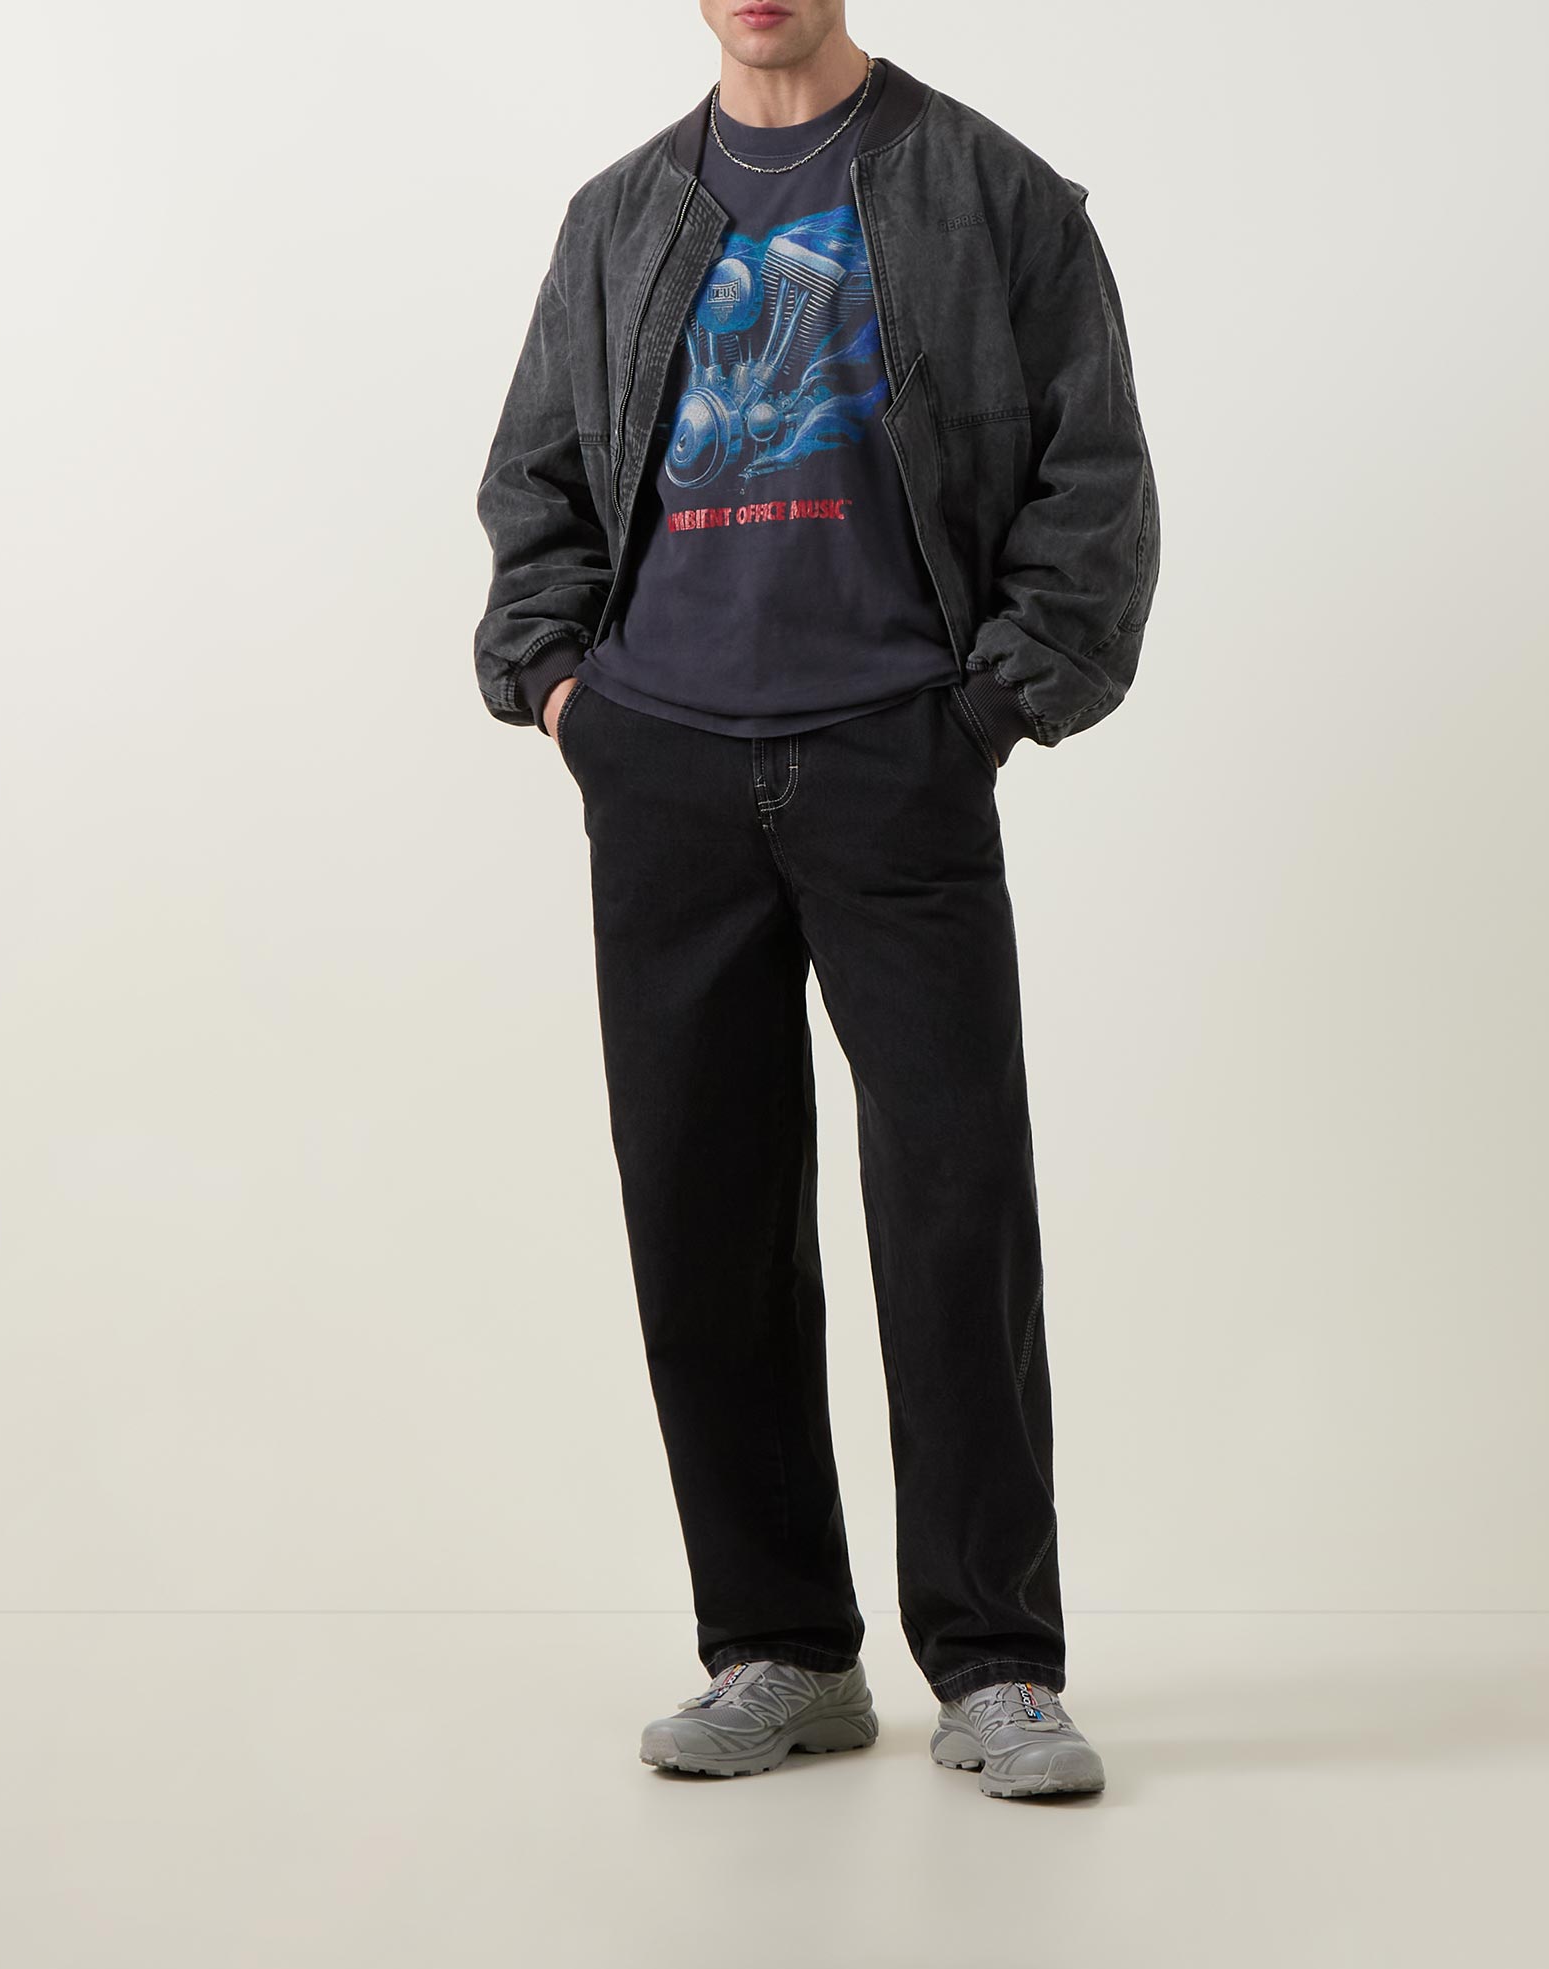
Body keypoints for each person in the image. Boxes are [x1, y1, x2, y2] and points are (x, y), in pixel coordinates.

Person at [472, 0, 1158, 1801]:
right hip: (667, 772)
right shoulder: (619, 215)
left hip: (893, 761)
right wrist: (571, 700)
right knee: (702, 1219)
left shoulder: (994, 194)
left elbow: (1094, 481)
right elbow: (533, 485)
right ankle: (778, 1651)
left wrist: (988, 713)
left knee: (954, 1214)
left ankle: (997, 1666)